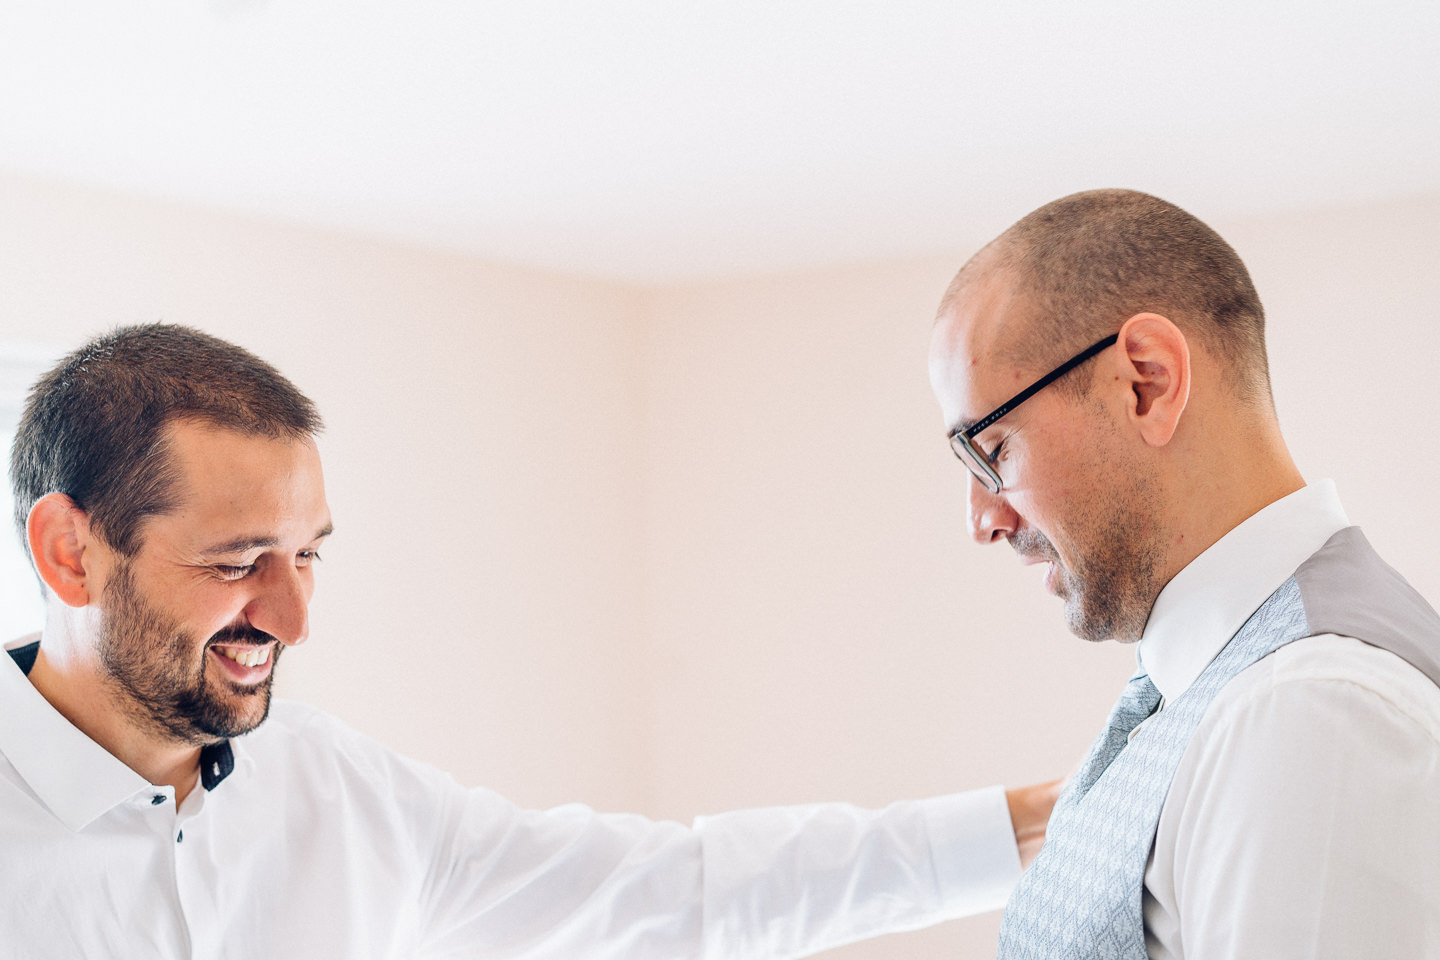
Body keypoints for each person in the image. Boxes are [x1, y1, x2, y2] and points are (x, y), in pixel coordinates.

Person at [1, 323, 1058, 959]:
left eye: (308, 556)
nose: (294, 620)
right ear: (69, 553)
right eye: (237, 564)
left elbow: (676, 893)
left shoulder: (336, 794)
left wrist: (1041, 826)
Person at [927, 189, 1440, 958]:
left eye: (992, 451)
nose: (983, 520)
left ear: (1146, 382)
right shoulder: (1225, 693)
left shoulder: (1312, 712)